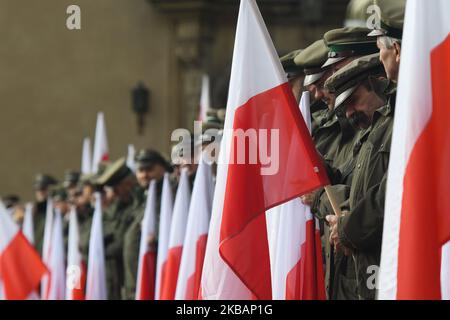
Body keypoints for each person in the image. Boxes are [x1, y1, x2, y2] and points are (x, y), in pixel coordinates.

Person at [324, 53, 392, 300]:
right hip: (363, 278)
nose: (351, 113)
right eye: (345, 107)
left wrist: (346, 228)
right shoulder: (371, 131)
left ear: (376, 82)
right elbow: (357, 190)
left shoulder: (395, 126)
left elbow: (390, 196)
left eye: (354, 100)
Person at [122, 149, 171, 300]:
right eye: (140, 170)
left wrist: (155, 234)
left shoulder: (171, 194)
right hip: (134, 283)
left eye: (149, 169)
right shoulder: (138, 197)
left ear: (163, 168)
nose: (144, 175)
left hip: (156, 279)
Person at [95, 158, 138, 300]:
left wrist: (105, 247)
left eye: (115, 189)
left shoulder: (136, 205)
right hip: (120, 282)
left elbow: (119, 245)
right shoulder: (119, 207)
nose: (113, 194)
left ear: (127, 184)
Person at [32, 173, 58, 255]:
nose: (40, 192)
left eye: (43, 189)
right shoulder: (34, 211)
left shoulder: (56, 211)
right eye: (37, 189)